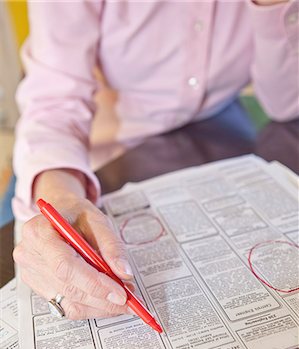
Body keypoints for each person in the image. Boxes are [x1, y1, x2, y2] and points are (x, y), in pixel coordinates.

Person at [13, 1, 299, 321]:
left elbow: (286, 104)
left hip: (218, 129)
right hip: (94, 156)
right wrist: (60, 193)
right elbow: (54, 103)